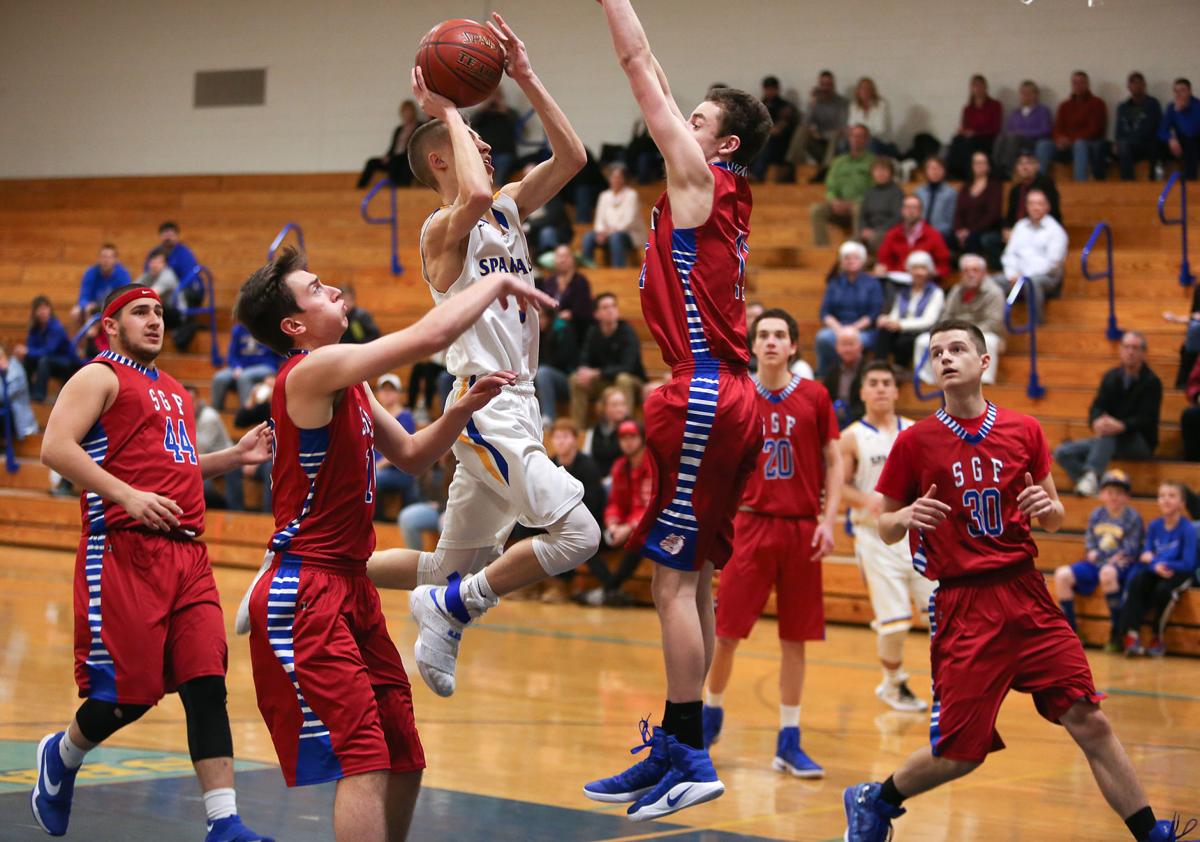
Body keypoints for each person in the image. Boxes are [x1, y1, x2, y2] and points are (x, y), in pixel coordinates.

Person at [231, 244, 552, 841]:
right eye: (316, 287)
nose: (332, 289)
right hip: (309, 590)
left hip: (352, 585)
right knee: (365, 758)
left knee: (404, 756)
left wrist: (462, 408)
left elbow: (410, 455)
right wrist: (493, 282)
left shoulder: (351, 385)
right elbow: (428, 336)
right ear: (294, 325)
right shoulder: (310, 371)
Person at [842, 319, 1186, 842]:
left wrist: (1048, 506)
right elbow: (884, 526)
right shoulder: (916, 442)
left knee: (1089, 718)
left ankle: (1150, 833)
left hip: (1027, 594)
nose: (946, 358)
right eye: (937, 353)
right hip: (965, 605)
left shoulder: (1024, 430)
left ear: (984, 363)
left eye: (958, 348)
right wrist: (908, 514)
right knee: (960, 754)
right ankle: (877, 798)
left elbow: (1052, 515)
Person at [365, 14, 601, 706]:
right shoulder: (443, 227)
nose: (488, 147)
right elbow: (468, 193)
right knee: (577, 533)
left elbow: (575, 159)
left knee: (444, 564)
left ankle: (305, 566)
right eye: (473, 141)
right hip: (486, 405)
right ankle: (453, 610)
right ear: (441, 157)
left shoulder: (506, 209)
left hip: (518, 401)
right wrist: (444, 109)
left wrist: (525, 76)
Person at [585, 0, 772, 821]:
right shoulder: (715, 184)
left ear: (721, 143)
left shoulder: (698, 180)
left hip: (700, 390)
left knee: (669, 581)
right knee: (689, 573)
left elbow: (638, 71)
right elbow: (656, 76)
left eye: (694, 118)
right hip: (722, 395)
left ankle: (691, 751)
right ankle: (677, 742)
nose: (675, 118)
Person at [32, 285, 273, 842]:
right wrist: (126, 496)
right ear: (110, 326)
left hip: (189, 554)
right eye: (140, 312)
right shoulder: (99, 375)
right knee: (127, 696)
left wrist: (234, 457)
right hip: (124, 549)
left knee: (206, 682)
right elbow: (55, 447)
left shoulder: (174, 391)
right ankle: (63, 754)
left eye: (160, 312)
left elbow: (177, 470)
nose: (155, 321)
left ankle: (224, 822)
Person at [701, 308, 843, 777]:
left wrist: (828, 519)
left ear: (794, 346)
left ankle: (789, 739)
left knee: (794, 640)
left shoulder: (816, 396)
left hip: (801, 528)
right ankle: (709, 716)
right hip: (750, 525)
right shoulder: (736, 396)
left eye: (780, 335)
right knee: (726, 634)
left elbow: (835, 461)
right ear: (752, 344)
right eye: (763, 335)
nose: (771, 342)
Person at [840, 362, 931, 712]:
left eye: (886, 383)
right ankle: (892, 685)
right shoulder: (851, 437)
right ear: (862, 392)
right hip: (873, 537)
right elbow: (839, 485)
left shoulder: (914, 431)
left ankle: (948, 687)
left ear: (896, 391)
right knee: (894, 624)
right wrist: (865, 499)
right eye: (873, 383)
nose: (879, 388)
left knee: (939, 615)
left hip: (916, 534)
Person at [1054, 331, 1161, 497]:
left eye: (1135, 348)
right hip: (1109, 440)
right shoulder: (1111, 376)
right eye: (1126, 347)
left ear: (1143, 352)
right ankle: (1096, 485)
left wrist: (1122, 425)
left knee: (1108, 435)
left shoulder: (1152, 382)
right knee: (1063, 452)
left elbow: (1147, 419)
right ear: (1120, 350)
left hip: (1140, 441)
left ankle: (1092, 476)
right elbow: (1097, 406)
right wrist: (1096, 421)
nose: (1130, 352)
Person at [1052, 469, 1143, 648]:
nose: (1113, 497)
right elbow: (1090, 544)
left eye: (1119, 493)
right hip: (1097, 564)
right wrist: (1101, 556)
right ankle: (1071, 633)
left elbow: (1129, 550)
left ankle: (1117, 633)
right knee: (1062, 575)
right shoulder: (1096, 514)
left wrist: (1101, 556)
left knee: (1108, 573)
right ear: (1101, 495)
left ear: (1126, 497)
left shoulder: (1133, 517)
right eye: (1109, 492)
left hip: (1120, 568)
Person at [1119, 482, 1197, 658]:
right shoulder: (1154, 526)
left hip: (1180, 573)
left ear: (1182, 503)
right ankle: (1132, 636)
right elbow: (1145, 554)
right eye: (1162, 496)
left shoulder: (1188, 528)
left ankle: (1157, 638)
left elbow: (1189, 563)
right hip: (1158, 569)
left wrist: (1158, 563)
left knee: (1164, 591)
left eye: (1171, 495)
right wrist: (1156, 565)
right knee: (1138, 580)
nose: (1166, 500)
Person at [914, 255, 1005, 385]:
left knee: (988, 341)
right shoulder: (956, 290)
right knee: (923, 341)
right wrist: (949, 333)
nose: (970, 274)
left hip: (984, 332)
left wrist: (967, 334)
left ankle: (984, 381)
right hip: (955, 333)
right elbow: (946, 316)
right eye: (966, 271)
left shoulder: (994, 292)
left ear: (984, 273)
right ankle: (930, 382)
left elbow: (994, 323)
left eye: (975, 270)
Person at [593, 418, 654, 602]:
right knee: (585, 540)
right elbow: (614, 504)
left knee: (638, 540)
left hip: (647, 525)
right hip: (623, 526)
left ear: (642, 438)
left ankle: (608, 588)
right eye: (623, 437)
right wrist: (612, 524)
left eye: (632, 437)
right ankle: (610, 589)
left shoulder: (651, 464)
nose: (627, 442)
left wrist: (627, 527)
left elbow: (649, 506)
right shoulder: (619, 466)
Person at [569, 292, 645, 426]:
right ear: (596, 314)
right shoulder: (593, 332)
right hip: (604, 381)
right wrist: (585, 371)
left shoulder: (627, 331)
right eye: (605, 307)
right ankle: (578, 428)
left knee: (623, 379)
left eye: (613, 306)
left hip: (633, 381)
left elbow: (628, 367)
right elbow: (584, 358)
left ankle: (626, 427)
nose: (611, 310)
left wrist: (598, 373)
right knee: (576, 379)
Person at [1000, 188, 1068, 322]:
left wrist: (1024, 277)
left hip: (1047, 278)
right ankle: (997, 327)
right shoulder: (1020, 226)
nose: (1035, 207)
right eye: (1031, 203)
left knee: (1033, 283)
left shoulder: (1056, 231)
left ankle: (1037, 328)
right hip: (1016, 276)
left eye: (1039, 203)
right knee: (990, 284)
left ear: (1047, 206)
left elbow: (1052, 264)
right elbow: (1009, 255)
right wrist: (1012, 274)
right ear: (1027, 206)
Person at [815, 241, 883, 376]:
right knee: (823, 338)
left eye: (855, 257)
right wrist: (840, 330)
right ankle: (827, 375)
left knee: (856, 341)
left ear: (863, 260)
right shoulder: (834, 283)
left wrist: (852, 330)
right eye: (847, 258)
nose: (851, 261)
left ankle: (856, 376)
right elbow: (825, 312)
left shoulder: (872, 283)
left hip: (863, 330)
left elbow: (873, 313)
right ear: (841, 261)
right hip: (837, 328)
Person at [873, 251, 944, 370]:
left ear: (929, 271)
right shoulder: (903, 291)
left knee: (904, 341)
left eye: (923, 268)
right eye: (915, 268)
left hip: (923, 330)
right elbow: (895, 312)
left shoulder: (936, 292)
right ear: (909, 271)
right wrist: (887, 320)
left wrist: (900, 324)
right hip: (901, 327)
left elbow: (929, 320)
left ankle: (900, 370)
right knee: (884, 331)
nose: (918, 272)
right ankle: (879, 367)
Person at [1036, 71, 1108, 182]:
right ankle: (1038, 182)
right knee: (1043, 145)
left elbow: (1094, 129)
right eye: (1075, 83)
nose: (1078, 86)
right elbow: (1057, 128)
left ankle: (1079, 183)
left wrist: (1071, 140)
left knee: (1079, 144)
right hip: (1065, 145)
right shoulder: (1065, 105)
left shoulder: (1097, 103)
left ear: (1087, 84)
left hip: (1086, 143)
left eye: (1081, 82)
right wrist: (1059, 139)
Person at [810, 124, 875, 246]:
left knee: (858, 208)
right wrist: (834, 200)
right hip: (839, 207)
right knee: (816, 210)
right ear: (849, 138)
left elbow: (874, 189)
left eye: (860, 136)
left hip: (862, 207)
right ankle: (822, 248)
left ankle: (856, 246)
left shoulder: (873, 162)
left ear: (867, 140)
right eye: (853, 136)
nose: (856, 139)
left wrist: (853, 203)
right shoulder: (839, 162)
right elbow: (830, 186)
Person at [373, 373, 420, 518]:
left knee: (374, 478)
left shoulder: (405, 417)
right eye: (384, 390)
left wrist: (378, 465)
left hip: (398, 471)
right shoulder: (374, 415)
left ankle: (378, 520)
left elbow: (403, 448)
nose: (387, 394)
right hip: (375, 467)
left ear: (399, 394)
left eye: (391, 390)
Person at [787, 70, 849, 176]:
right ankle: (792, 166)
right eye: (823, 84)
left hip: (835, 145)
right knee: (801, 130)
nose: (825, 88)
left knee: (835, 135)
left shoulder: (842, 103)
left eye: (828, 85)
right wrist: (812, 103)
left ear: (833, 86)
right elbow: (805, 123)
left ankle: (827, 170)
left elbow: (842, 128)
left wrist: (821, 134)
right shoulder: (816, 102)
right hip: (820, 145)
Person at [874, 195, 951, 280]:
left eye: (914, 208)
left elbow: (943, 265)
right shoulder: (892, 234)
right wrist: (882, 269)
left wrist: (933, 272)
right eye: (907, 207)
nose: (910, 211)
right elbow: (883, 260)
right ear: (902, 210)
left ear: (921, 211)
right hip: (897, 281)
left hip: (924, 283)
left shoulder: (933, 235)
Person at [17, 295, 78, 402]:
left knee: (43, 360)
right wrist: (26, 353)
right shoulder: (34, 328)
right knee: (26, 360)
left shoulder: (56, 327)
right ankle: (28, 393)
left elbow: (49, 350)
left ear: (50, 310)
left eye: (45, 308)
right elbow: (30, 347)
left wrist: (28, 351)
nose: (42, 311)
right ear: (34, 312)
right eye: (39, 309)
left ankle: (39, 395)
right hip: (47, 361)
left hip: (65, 362)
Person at [582, 163, 643, 267]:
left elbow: (629, 220)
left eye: (619, 177)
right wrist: (601, 232)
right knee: (588, 236)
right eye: (613, 177)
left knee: (616, 237)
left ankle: (618, 270)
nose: (615, 180)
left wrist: (609, 232)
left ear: (624, 179)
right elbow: (599, 220)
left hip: (628, 234)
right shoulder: (604, 196)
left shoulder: (631, 195)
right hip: (606, 234)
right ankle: (588, 268)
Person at [211, 322, 282, 411]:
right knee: (219, 378)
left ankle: (246, 412)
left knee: (244, 377)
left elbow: (281, 353)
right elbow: (231, 355)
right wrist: (236, 367)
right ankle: (216, 411)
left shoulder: (271, 328)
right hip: (242, 366)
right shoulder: (239, 329)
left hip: (265, 366)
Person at [952, 151, 1005, 267]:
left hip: (986, 229)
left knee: (973, 239)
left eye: (982, 163)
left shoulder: (995, 186)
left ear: (989, 166)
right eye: (976, 163)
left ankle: (973, 269)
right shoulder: (965, 187)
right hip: (965, 231)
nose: (979, 166)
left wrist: (971, 231)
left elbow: (993, 214)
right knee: (949, 237)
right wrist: (959, 230)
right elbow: (958, 212)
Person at [992, 80, 1053, 179]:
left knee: (1013, 138)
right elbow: (1008, 130)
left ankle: (1007, 170)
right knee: (1000, 138)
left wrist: (1024, 133)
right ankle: (996, 168)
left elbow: (1045, 130)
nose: (1025, 96)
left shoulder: (1042, 111)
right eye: (1023, 93)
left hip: (1033, 141)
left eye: (1028, 93)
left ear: (1035, 95)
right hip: (1016, 141)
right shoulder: (1016, 113)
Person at [946, 75, 1002, 181]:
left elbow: (996, 128)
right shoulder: (968, 108)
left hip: (987, 139)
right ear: (971, 88)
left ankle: (968, 174)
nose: (978, 88)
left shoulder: (995, 105)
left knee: (969, 143)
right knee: (957, 139)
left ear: (986, 87)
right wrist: (963, 132)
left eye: (980, 85)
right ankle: (953, 172)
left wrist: (975, 133)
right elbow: (965, 126)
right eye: (975, 86)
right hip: (971, 138)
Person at [357, 99, 423, 188]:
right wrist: (387, 155)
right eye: (404, 111)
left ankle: (399, 187)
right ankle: (360, 188)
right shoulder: (399, 129)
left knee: (399, 162)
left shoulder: (419, 127)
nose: (406, 114)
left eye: (408, 111)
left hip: (407, 158)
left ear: (413, 112)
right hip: (394, 157)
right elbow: (393, 147)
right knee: (371, 162)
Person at [533, 301, 580, 424]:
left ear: (549, 316)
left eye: (541, 316)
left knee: (543, 372)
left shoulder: (562, 329)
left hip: (567, 379)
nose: (539, 320)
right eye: (536, 317)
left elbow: (564, 360)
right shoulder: (539, 333)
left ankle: (549, 416)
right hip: (548, 378)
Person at [537, 244, 594, 343]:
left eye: (566, 256)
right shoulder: (549, 281)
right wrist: (543, 316)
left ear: (573, 259)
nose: (563, 260)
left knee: (563, 329)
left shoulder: (580, 281)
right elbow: (543, 304)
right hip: (550, 323)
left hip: (575, 325)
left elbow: (585, 308)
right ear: (555, 260)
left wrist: (571, 314)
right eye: (559, 256)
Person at [1114, 72, 1164, 182]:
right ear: (1128, 87)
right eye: (1133, 83)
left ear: (1144, 85)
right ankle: (1127, 183)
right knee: (1117, 146)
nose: (1137, 86)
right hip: (1128, 145)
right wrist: (1117, 141)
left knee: (1126, 145)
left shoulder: (1152, 104)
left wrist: (1128, 140)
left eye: (1139, 82)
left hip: (1147, 143)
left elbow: (1150, 128)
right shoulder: (1123, 107)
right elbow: (1119, 129)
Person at [750, 75, 799, 182]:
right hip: (762, 142)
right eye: (767, 89)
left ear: (777, 89)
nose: (769, 91)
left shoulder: (786, 107)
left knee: (766, 143)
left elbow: (777, 130)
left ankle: (756, 175)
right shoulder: (759, 106)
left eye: (772, 89)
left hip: (780, 146)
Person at [1004, 151, 1063, 238]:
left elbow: (1052, 212)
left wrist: (1022, 232)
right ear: (1016, 168)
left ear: (1037, 166)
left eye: (1028, 163)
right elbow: (1010, 215)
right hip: (1017, 231)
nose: (1024, 167)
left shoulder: (1046, 185)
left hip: (1040, 229)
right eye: (1020, 163)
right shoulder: (1015, 190)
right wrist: (1007, 229)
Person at [72, 243, 132, 327]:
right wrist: (87, 304)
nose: (106, 260)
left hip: (113, 306)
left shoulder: (123, 274)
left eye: (109, 257)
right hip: (94, 307)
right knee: (76, 312)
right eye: (103, 257)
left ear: (115, 260)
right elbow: (83, 297)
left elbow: (126, 297)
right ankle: (85, 338)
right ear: (99, 259)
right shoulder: (90, 272)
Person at [470, 87, 520, 184]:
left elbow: (517, 125)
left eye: (497, 95)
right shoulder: (483, 114)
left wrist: (502, 109)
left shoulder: (509, 112)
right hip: (485, 153)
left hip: (504, 153)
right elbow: (471, 124)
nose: (494, 98)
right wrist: (484, 107)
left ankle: (497, 190)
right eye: (491, 95)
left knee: (503, 166)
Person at [821, 327, 867, 429]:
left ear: (860, 346)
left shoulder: (868, 371)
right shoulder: (832, 371)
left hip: (862, 425)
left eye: (851, 344)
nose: (847, 349)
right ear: (837, 348)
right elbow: (824, 398)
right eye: (844, 344)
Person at [857, 157, 903, 256]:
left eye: (884, 170)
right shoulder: (869, 193)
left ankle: (878, 263)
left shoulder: (896, 192)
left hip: (887, 230)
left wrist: (877, 230)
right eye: (877, 170)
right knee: (851, 242)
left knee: (875, 239)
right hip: (869, 229)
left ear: (891, 173)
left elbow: (897, 217)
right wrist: (864, 228)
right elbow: (863, 215)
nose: (880, 173)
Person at [583, 385, 629, 478]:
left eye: (623, 404)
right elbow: (587, 458)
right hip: (597, 481)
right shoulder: (594, 431)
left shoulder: (632, 430)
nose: (620, 409)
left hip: (622, 480)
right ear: (604, 407)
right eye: (615, 405)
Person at [1160, 78, 1200, 181]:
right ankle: (1155, 181)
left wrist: (1182, 113)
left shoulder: (1197, 105)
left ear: (1189, 91)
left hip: (1196, 140)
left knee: (1190, 143)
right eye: (1176, 91)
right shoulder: (1171, 107)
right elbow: (1162, 130)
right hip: (1180, 141)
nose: (1179, 94)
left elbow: (1191, 131)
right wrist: (1170, 139)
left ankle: (1190, 182)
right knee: (1157, 145)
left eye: (1182, 90)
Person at [847, 77, 897, 158]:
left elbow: (880, 129)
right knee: (843, 143)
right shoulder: (853, 106)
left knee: (870, 143)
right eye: (862, 88)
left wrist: (862, 136)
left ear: (872, 90)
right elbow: (852, 126)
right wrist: (856, 136)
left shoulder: (881, 105)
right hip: (861, 139)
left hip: (881, 141)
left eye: (867, 88)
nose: (865, 91)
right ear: (858, 91)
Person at [914, 157, 956, 248]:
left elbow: (951, 221)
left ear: (944, 171)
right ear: (926, 171)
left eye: (938, 168)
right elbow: (915, 215)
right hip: (919, 232)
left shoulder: (950, 193)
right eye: (932, 168)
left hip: (941, 233)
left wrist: (932, 232)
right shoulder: (919, 192)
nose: (935, 172)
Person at [0, 343, 39, 442]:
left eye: (1, 358)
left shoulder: (16, 372)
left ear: (6, 357)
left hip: (18, 418)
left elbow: (3, 396)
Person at [137, 247, 182, 327]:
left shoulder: (168, 276)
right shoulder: (148, 275)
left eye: (158, 262)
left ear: (164, 264)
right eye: (152, 262)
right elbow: (131, 288)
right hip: (162, 311)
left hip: (176, 314)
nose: (155, 265)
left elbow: (151, 294)